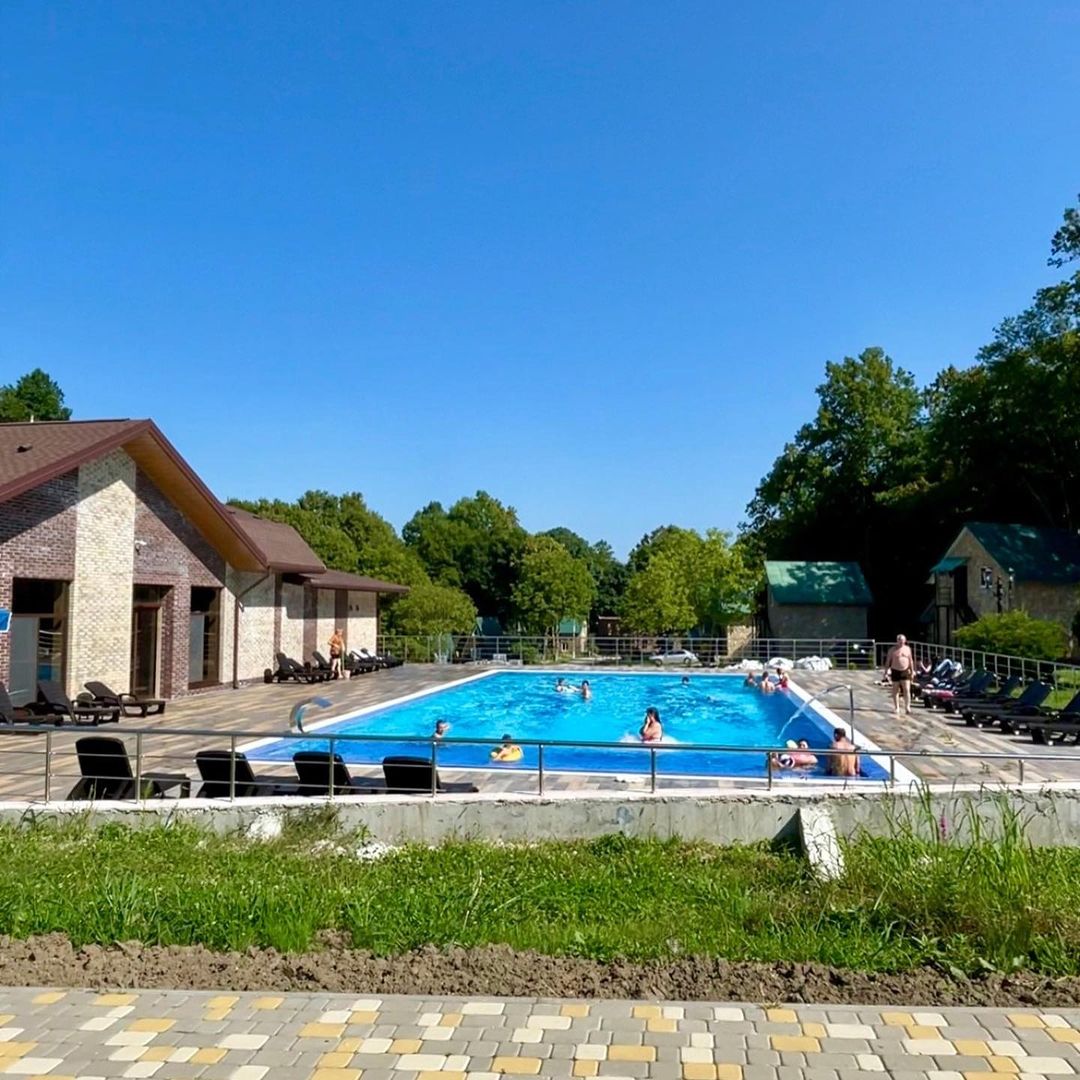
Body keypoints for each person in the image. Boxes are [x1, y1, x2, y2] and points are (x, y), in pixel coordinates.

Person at [883, 634, 915, 717]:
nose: (901, 642)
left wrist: (912, 671)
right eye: (900, 640)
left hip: (905, 670)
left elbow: (910, 660)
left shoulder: (907, 649)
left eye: (903, 640)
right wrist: (886, 672)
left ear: (905, 641)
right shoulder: (892, 650)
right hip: (895, 670)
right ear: (897, 641)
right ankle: (896, 707)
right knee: (895, 689)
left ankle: (907, 707)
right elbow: (888, 661)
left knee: (907, 689)